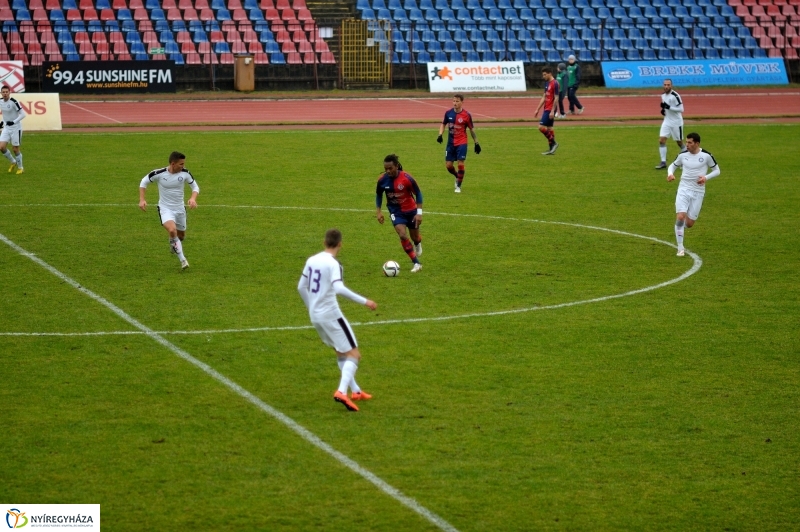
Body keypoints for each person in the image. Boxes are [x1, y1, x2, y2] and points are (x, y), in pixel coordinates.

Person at [298, 228, 378, 412]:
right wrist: (366, 301)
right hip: (331, 314)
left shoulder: (311, 260)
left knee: (341, 352)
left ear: (324, 242)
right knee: (354, 355)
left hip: (315, 316)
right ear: (340, 244)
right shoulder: (333, 264)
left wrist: (312, 306)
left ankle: (356, 391)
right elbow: (339, 289)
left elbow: (301, 287)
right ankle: (341, 391)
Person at [138, 151, 199, 270]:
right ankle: (183, 260)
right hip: (165, 208)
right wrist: (142, 199)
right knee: (172, 230)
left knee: (180, 237)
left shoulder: (185, 173)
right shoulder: (159, 173)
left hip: (180, 209)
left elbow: (195, 187)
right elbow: (143, 182)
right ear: (173, 163)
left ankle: (173, 242)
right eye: (181, 164)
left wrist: (192, 198)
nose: (183, 166)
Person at [667, 132, 720, 257]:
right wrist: (670, 174)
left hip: (698, 191)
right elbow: (673, 166)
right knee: (680, 216)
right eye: (686, 142)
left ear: (697, 143)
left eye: (690, 142)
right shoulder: (682, 155)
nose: (687, 145)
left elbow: (717, 170)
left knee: (689, 224)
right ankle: (680, 247)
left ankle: (678, 228)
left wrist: (706, 177)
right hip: (683, 189)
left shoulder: (706, 156)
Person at [376, 154, 423, 273]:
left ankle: (417, 243)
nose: (388, 171)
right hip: (396, 212)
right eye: (386, 168)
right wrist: (379, 212)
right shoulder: (382, 180)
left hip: (411, 210)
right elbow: (378, 194)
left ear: (396, 166)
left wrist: (419, 213)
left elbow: (418, 193)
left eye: (390, 168)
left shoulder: (406, 178)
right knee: (402, 234)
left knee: (415, 237)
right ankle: (416, 263)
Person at [437, 94, 481, 193]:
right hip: (450, 143)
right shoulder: (448, 113)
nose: (455, 103)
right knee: (448, 166)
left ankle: (458, 186)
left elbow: (471, 129)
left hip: (462, 142)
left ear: (462, 102)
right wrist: (440, 135)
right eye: (453, 101)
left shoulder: (466, 115)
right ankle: (458, 176)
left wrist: (476, 143)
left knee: (460, 163)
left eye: (457, 101)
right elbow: (443, 124)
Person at [656, 78, 686, 169]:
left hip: (676, 122)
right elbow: (665, 107)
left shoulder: (675, 95)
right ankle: (663, 162)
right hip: (667, 121)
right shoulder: (663, 96)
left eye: (668, 85)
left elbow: (681, 109)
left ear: (671, 85)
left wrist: (668, 107)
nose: (666, 86)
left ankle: (685, 161)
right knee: (661, 140)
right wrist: (663, 111)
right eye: (665, 85)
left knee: (679, 143)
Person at [0, 85, 26, 175]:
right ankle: (13, 161)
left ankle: (20, 167)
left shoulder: (14, 102)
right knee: (2, 147)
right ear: (1, 93)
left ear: (9, 92)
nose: (5, 94)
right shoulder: (0, 102)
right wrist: (2, 122)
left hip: (16, 128)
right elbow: (5, 114)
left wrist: (14, 122)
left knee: (15, 149)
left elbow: (23, 114)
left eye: (7, 92)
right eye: (3, 92)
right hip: (7, 128)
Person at [534, 66, 559, 155]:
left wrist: (553, 111)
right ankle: (551, 149)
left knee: (540, 127)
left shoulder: (555, 83)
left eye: (545, 75)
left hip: (550, 109)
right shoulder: (547, 83)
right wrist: (537, 109)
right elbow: (544, 96)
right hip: (546, 108)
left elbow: (556, 98)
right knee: (549, 128)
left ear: (550, 73)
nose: (543, 76)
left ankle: (554, 142)